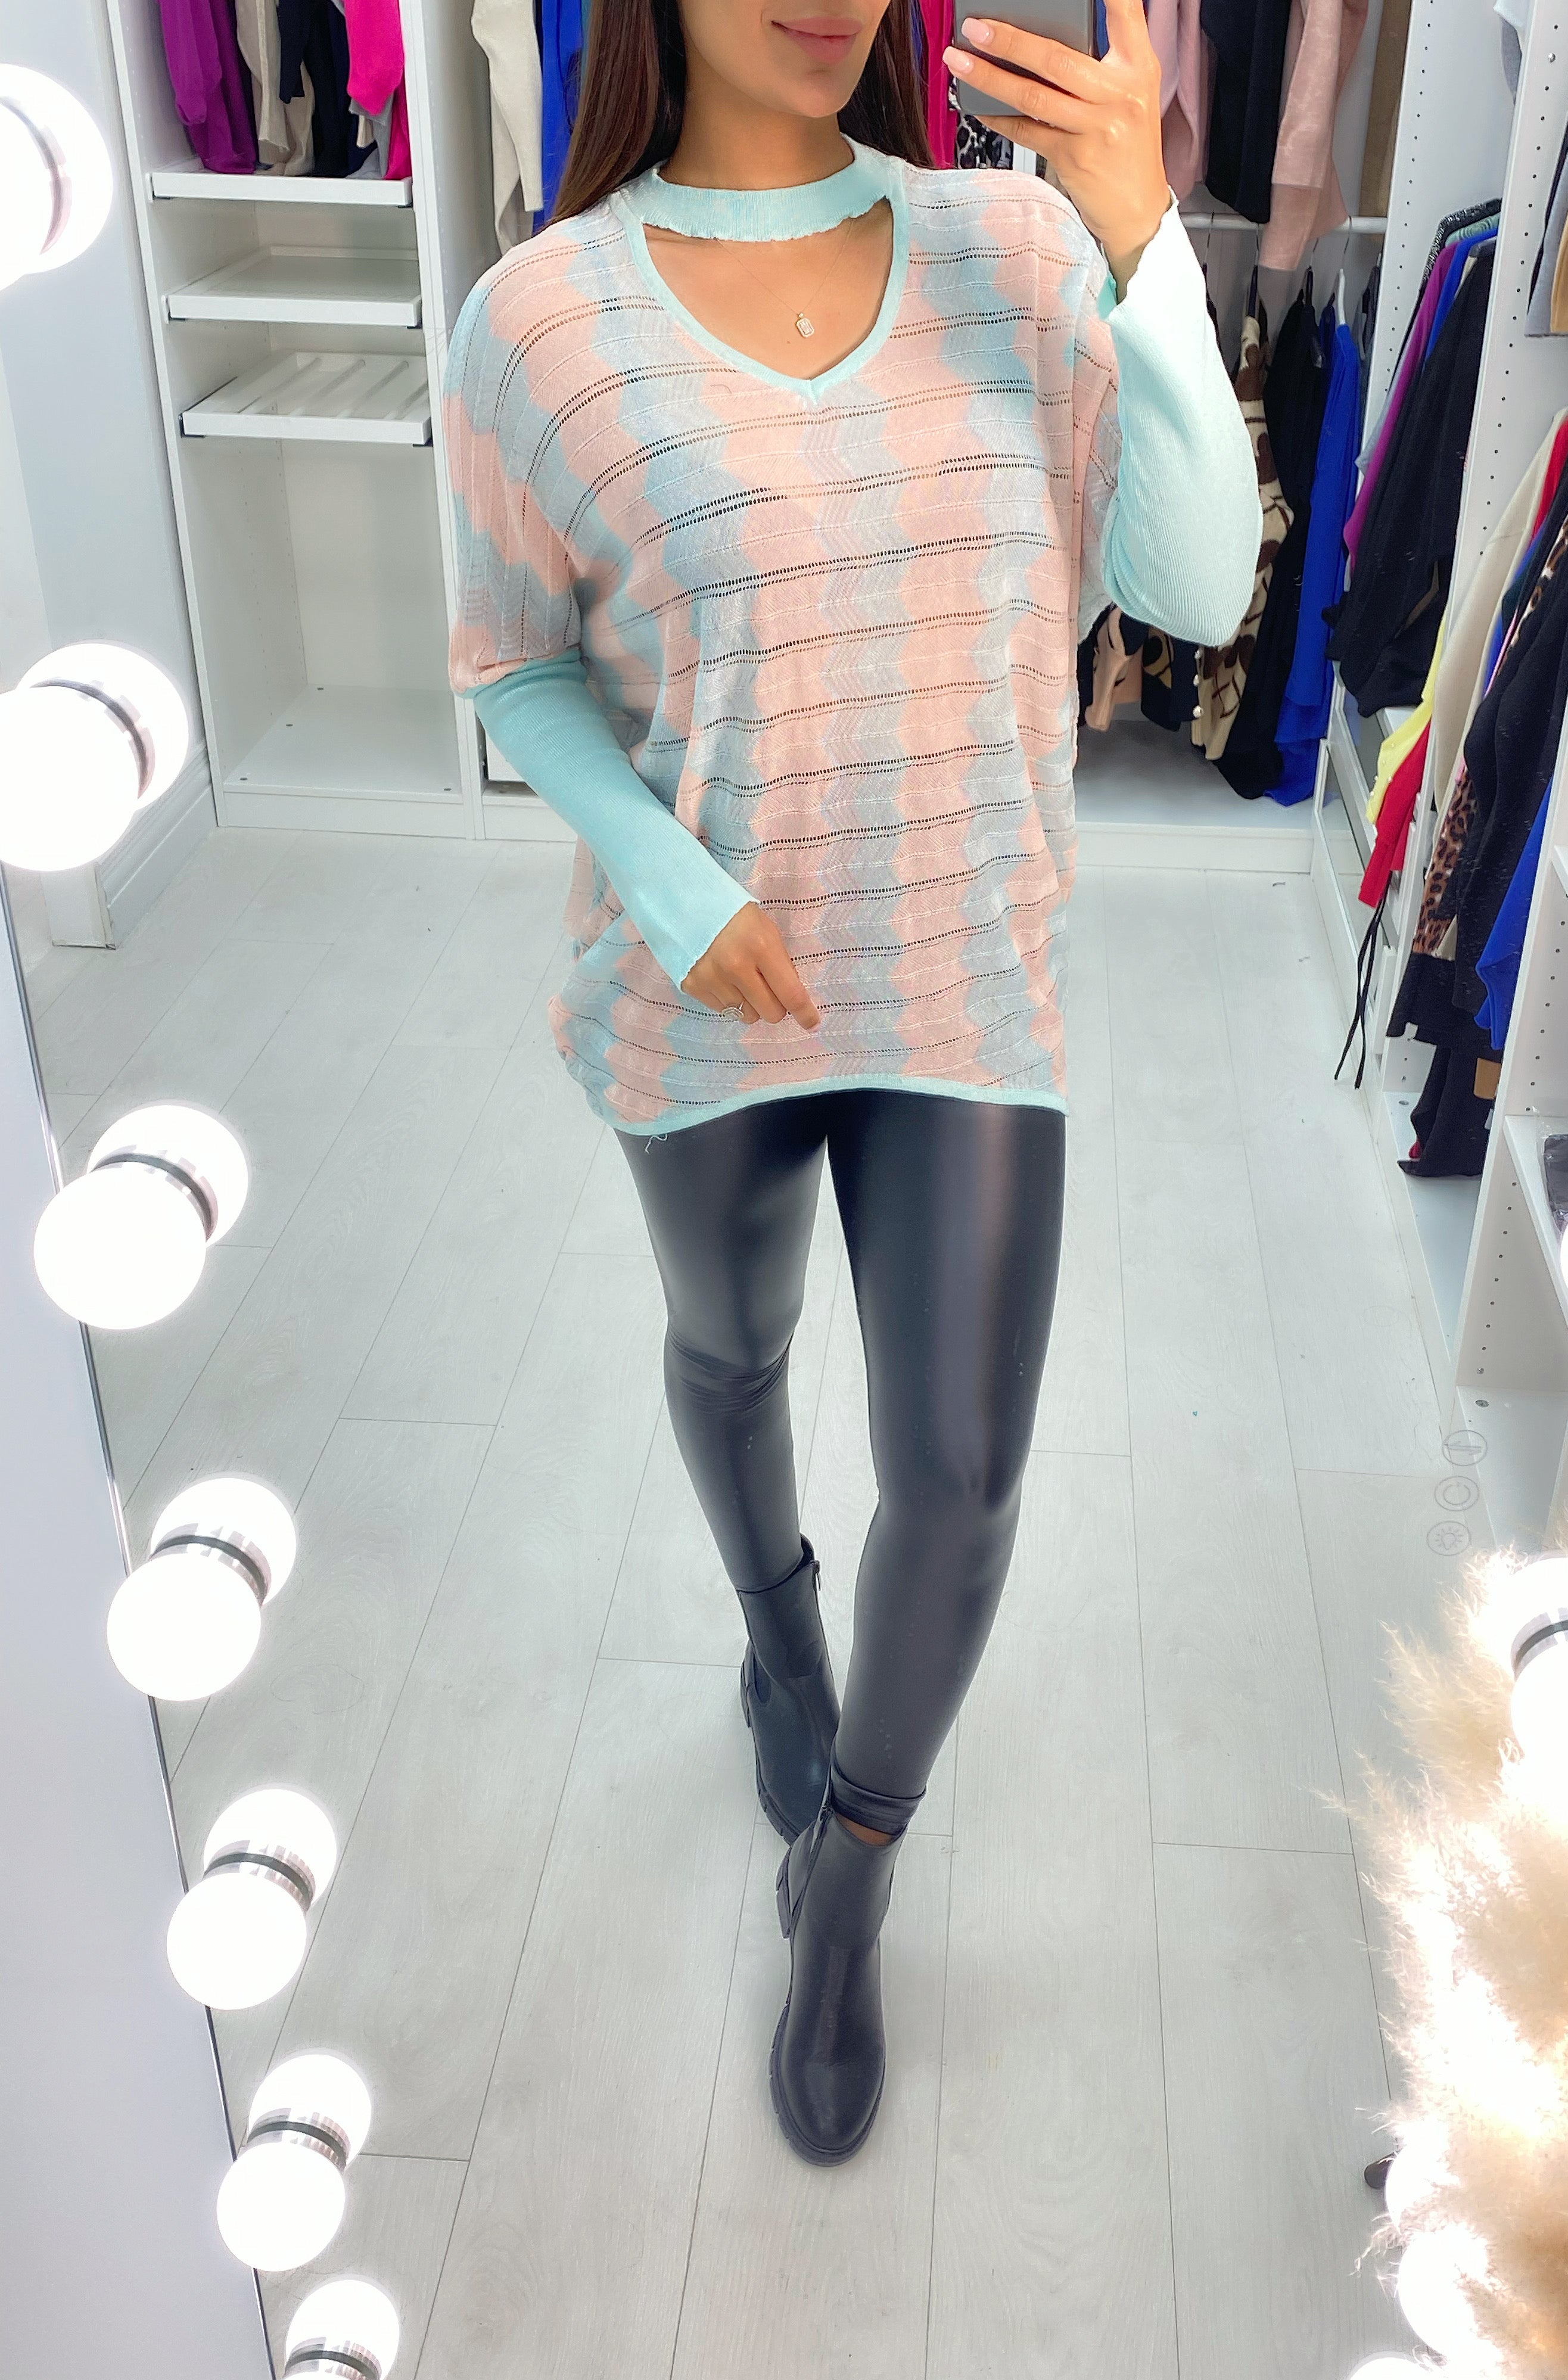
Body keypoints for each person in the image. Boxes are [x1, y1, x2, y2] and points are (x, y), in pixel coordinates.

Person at [444, 0, 1258, 2166]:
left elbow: (1196, 591)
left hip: (961, 966)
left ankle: (852, 1880)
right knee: (732, 1346)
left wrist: (1144, 239)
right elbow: (514, 662)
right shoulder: (544, 321)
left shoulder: (1016, 252)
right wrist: (670, 881)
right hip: (708, 987)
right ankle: (778, 1632)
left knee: (966, 1486)